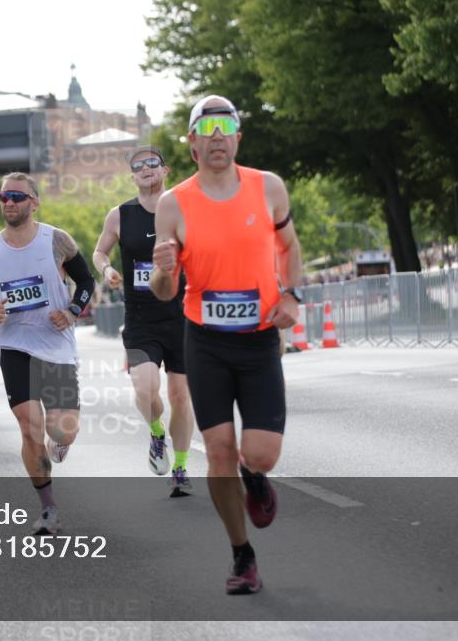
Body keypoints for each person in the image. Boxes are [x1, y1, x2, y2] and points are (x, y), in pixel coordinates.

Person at [150, 95, 302, 595]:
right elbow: (164, 290)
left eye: (226, 125)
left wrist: (291, 295)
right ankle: (242, 555)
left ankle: (254, 477)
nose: (217, 135)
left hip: (259, 340)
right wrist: (164, 271)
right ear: (192, 143)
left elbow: (288, 247)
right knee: (218, 450)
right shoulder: (173, 204)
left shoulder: (268, 187)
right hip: (206, 341)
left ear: (238, 136)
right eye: (206, 127)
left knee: (261, 453)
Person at [0, 173, 96, 534]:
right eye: (3, 197)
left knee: (62, 431)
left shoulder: (57, 240)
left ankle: (61, 442)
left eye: (17, 197)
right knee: (29, 428)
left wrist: (72, 311)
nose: (9, 202)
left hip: (55, 343)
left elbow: (86, 281)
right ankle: (49, 509)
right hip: (14, 344)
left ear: (34, 203)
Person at [93, 147, 195, 497]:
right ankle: (156, 433)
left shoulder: (185, 207)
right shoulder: (119, 215)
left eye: (153, 163)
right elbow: (99, 251)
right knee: (144, 388)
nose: (146, 168)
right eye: (138, 166)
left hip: (182, 316)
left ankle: (180, 468)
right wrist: (107, 269)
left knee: (180, 396)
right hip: (140, 319)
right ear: (132, 176)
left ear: (165, 170)